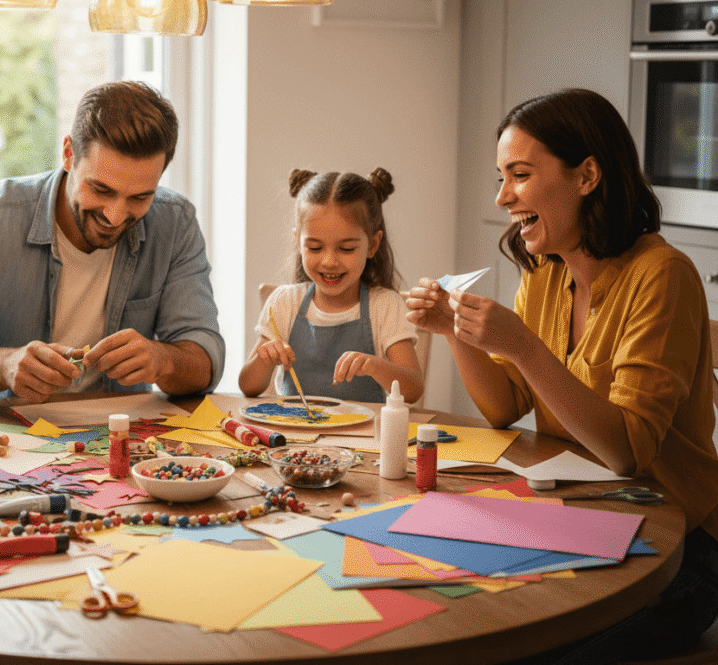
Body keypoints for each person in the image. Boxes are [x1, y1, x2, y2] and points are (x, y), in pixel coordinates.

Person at [406, 88, 718, 663]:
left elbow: (627, 450)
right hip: (577, 520)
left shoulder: (663, 276)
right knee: (446, 613)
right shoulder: (547, 274)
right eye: (501, 177)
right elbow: (502, 407)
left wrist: (523, 346)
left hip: (673, 553)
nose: (502, 197)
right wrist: (454, 332)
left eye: (519, 175)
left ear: (587, 175)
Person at [0, 81, 224, 402]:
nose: (114, 216)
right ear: (69, 154)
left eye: (140, 197)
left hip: (124, 436)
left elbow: (206, 360)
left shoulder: (175, 223)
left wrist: (162, 360)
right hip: (5, 438)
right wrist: (3, 366)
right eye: (101, 190)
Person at [240, 169, 423, 404]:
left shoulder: (385, 306)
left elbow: (414, 389)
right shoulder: (285, 302)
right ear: (299, 243)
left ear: (373, 245)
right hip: (295, 435)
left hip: (362, 439)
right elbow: (248, 387)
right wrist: (263, 360)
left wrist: (376, 367)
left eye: (346, 249)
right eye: (315, 248)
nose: (329, 261)